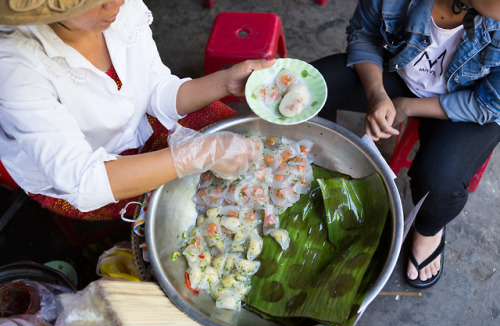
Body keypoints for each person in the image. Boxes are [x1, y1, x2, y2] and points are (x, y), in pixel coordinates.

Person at [0, 0, 275, 220]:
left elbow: (155, 90)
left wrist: (224, 81)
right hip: (87, 180)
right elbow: (84, 182)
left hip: (138, 124)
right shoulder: (14, 66)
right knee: (178, 208)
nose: (117, 4)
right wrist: (200, 153)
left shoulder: (121, 10)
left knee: (232, 135)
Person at [311, 0, 500, 288]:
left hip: (468, 103)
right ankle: (319, 166)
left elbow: (488, 103)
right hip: (397, 76)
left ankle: (428, 230)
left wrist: (407, 106)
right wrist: (377, 94)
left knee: (440, 180)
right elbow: (364, 35)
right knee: (313, 86)